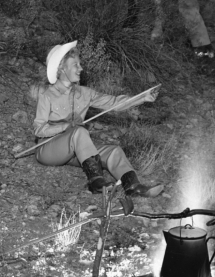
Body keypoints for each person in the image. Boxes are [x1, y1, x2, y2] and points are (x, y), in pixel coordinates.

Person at [33, 41, 164, 198]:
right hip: (48, 150)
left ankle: (133, 186)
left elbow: (114, 103)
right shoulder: (47, 96)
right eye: (75, 64)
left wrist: (142, 98)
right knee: (79, 132)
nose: (80, 68)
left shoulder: (85, 93)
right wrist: (65, 127)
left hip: (74, 151)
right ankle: (96, 182)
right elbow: (39, 130)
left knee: (113, 151)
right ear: (62, 68)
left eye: (79, 64)